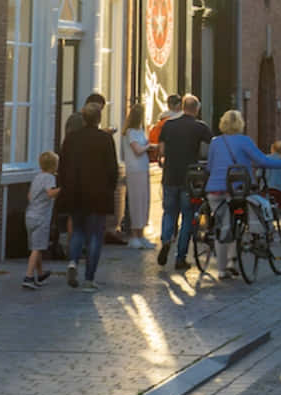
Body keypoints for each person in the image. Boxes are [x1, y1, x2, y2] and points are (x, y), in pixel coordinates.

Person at [204, 110, 281, 271]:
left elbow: (209, 166)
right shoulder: (245, 141)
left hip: (215, 191)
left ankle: (221, 270)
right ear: (240, 124)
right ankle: (237, 255)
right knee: (249, 210)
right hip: (238, 190)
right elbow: (262, 161)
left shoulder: (215, 142)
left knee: (222, 226)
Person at [57, 103, 119, 290]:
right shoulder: (105, 140)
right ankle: (89, 278)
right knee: (95, 235)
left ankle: (73, 262)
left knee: (77, 230)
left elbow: (63, 166)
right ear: (99, 119)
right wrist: (110, 188)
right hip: (98, 194)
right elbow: (112, 169)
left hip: (76, 192)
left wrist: (64, 187)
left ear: (83, 118)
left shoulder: (71, 139)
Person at [157, 94, 213, 268]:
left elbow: (161, 151)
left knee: (169, 212)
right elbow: (215, 145)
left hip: (169, 176)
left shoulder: (168, 125)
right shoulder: (199, 127)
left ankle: (166, 240)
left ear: (182, 107)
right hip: (189, 179)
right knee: (188, 216)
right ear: (196, 109)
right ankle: (180, 257)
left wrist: (164, 162)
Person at [22, 151, 59, 290]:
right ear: (55, 165)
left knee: (34, 247)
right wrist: (63, 189)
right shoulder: (50, 178)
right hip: (41, 217)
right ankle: (28, 277)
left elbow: (30, 196)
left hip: (30, 215)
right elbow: (50, 193)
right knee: (37, 249)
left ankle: (40, 273)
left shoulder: (36, 177)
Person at [121, 103, 152, 248]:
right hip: (134, 170)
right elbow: (137, 150)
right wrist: (149, 147)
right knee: (136, 201)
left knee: (144, 201)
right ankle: (134, 234)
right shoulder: (130, 133)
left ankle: (141, 234)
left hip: (143, 168)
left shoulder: (140, 131)